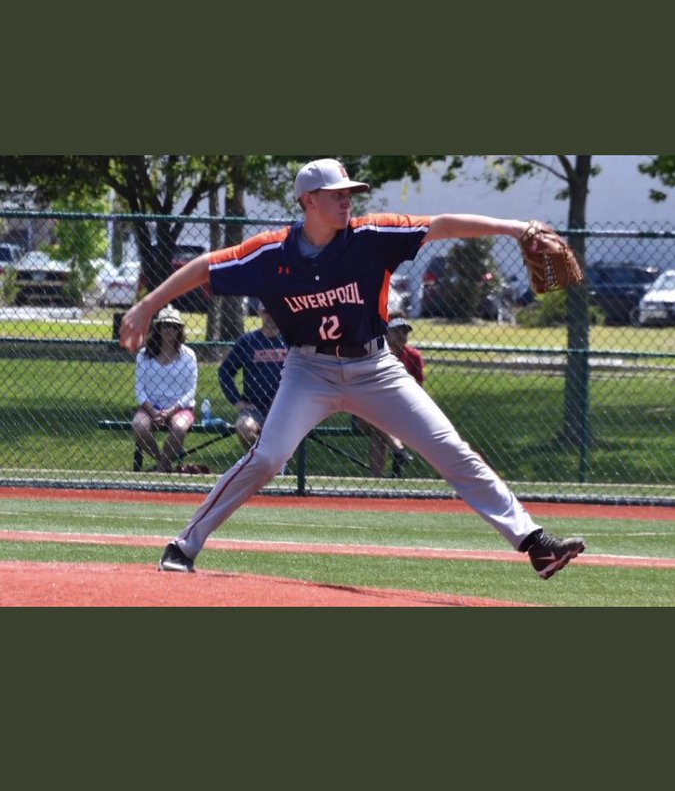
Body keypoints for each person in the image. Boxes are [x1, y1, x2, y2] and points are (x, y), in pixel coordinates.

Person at [119, 158, 586, 579]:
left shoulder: (372, 236)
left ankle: (534, 543)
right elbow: (204, 267)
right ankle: (185, 544)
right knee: (265, 458)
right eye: (337, 193)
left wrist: (514, 227)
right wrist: (146, 306)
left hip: (376, 368)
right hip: (308, 372)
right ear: (308, 201)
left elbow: (442, 224)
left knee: (450, 448)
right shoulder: (271, 254)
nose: (347, 199)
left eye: (349, 193)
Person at [354, 315, 426, 477]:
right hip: (368, 410)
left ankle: (377, 479)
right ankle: (398, 450)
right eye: (397, 331)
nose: (402, 335)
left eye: (405, 332)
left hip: (401, 411)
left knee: (379, 430)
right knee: (377, 418)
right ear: (386, 333)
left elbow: (419, 391)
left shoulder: (413, 356)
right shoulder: (374, 353)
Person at [131, 305, 198, 473]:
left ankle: (161, 467)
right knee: (139, 426)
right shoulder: (144, 355)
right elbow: (139, 389)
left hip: (180, 407)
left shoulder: (188, 356)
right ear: (158, 328)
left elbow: (190, 391)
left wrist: (170, 411)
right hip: (150, 407)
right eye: (166, 325)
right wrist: (153, 412)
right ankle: (162, 461)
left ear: (179, 331)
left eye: (174, 327)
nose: (170, 330)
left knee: (179, 428)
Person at [219, 301, 288, 451]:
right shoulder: (248, 341)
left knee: (281, 433)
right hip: (253, 407)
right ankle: (265, 462)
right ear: (259, 312)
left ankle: (268, 464)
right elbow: (225, 371)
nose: (270, 316)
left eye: (274, 311)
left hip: (284, 407)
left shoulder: (291, 341)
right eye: (266, 311)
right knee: (244, 428)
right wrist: (236, 401)